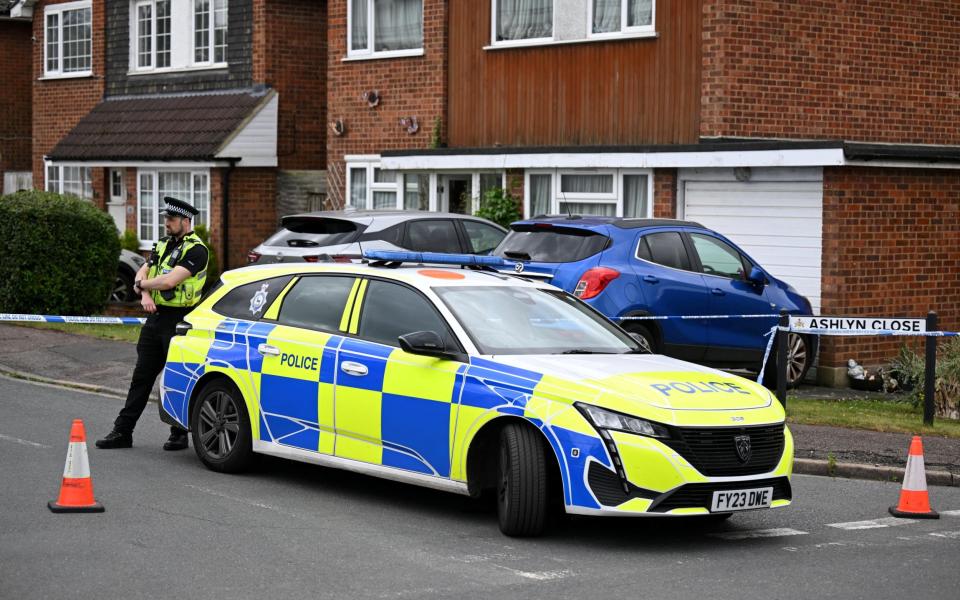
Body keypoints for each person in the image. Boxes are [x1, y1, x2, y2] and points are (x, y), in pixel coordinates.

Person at [96, 197, 209, 451]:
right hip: (155, 317)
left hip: (180, 321)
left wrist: (141, 286)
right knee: (141, 377)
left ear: (185, 221)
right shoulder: (163, 244)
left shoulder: (197, 250)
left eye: (170, 219)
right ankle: (123, 431)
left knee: (176, 378)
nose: (166, 223)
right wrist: (144, 294)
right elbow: (143, 272)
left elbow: (169, 281)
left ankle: (179, 434)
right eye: (165, 219)